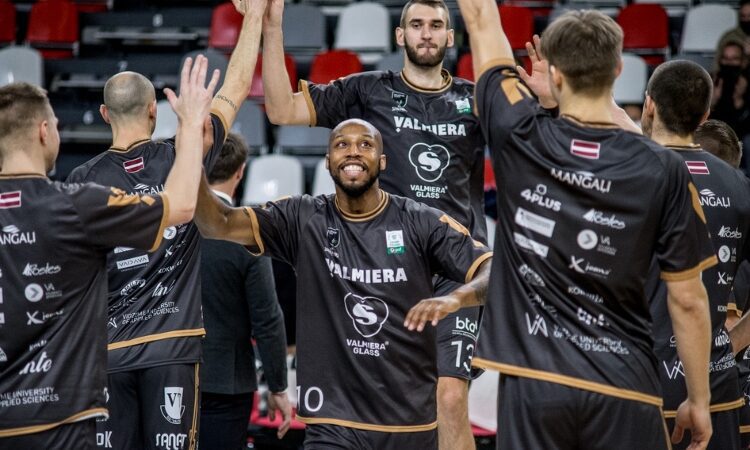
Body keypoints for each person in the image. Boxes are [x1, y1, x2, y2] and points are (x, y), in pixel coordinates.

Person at [451, 4, 717, 449]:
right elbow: (688, 300)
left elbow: (480, 18)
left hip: (535, 382)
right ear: (618, 70)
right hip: (626, 384)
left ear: (554, 74)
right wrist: (699, 400)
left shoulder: (519, 131)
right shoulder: (664, 169)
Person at [262, 1, 487, 446]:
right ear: (400, 36)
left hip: (454, 270)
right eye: (416, 25)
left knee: (449, 395)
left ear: (450, 37)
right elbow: (281, 110)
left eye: (436, 25)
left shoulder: (476, 100)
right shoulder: (369, 90)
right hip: (387, 271)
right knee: (391, 403)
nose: (426, 33)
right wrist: (270, 28)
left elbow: (537, 131)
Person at [194, 118, 492, 450]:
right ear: (327, 161)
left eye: (365, 144)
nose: (353, 152)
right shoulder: (303, 217)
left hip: (407, 424)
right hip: (333, 425)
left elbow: (493, 270)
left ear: (382, 161)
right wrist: (196, 156)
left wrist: (456, 299)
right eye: (341, 144)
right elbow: (216, 222)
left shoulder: (420, 220)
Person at [65, 0, 266, 447]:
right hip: (172, 345)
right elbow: (234, 92)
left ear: (104, 115)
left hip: (108, 351)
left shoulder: (80, 179)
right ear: (153, 112)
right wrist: (254, 16)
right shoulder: (182, 154)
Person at [0, 55, 216, 448]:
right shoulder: (73, 202)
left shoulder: (79, 188)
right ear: (45, 131)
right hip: (62, 411)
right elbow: (182, 206)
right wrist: (188, 128)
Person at [639, 59, 750, 450]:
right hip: (716, 382)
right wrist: (728, 344)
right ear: (705, 116)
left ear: (649, 105)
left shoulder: (625, 174)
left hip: (636, 381)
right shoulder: (739, 185)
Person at [198, 133, 291, 450]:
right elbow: (267, 319)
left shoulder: (169, 228)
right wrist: (278, 386)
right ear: (241, 171)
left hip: (167, 374)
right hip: (226, 381)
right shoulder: (246, 236)